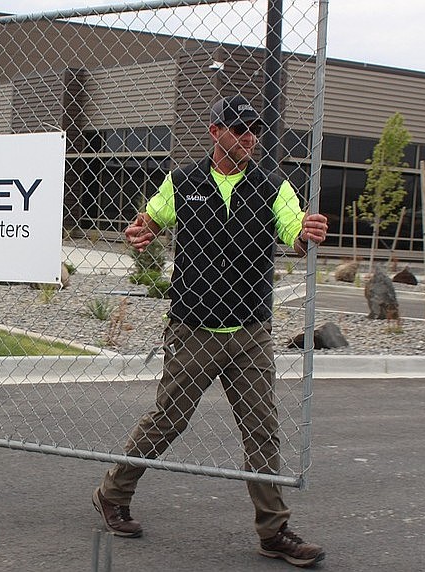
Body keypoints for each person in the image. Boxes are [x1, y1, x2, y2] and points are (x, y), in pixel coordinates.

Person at [92, 95, 328, 568]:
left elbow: (290, 229)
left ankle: (274, 531)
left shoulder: (273, 184)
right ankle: (112, 494)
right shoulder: (182, 182)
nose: (249, 137)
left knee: (262, 431)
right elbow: (149, 221)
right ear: (215, 131)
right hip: (193, 327)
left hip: (250, 330)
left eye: (255, 129)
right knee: (168, 420)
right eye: (239, 128)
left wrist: (305, 233)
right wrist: (140, 233)